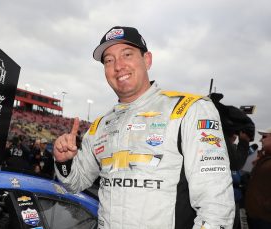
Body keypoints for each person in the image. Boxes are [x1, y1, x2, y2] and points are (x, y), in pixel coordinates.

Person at [53, 26, 235, 228]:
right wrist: (65, 162)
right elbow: (74, 183)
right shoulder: (100, 126)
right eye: (109, 60)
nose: (118, 66)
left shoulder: (188, 110)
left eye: (127, 54)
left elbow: (217, 208)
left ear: (147, 60)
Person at [245, 127, 271, 228]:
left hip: (265, 220)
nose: (260, 140)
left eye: (264, 137)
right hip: (256, 217)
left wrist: (265, 207)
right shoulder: (263, 158)